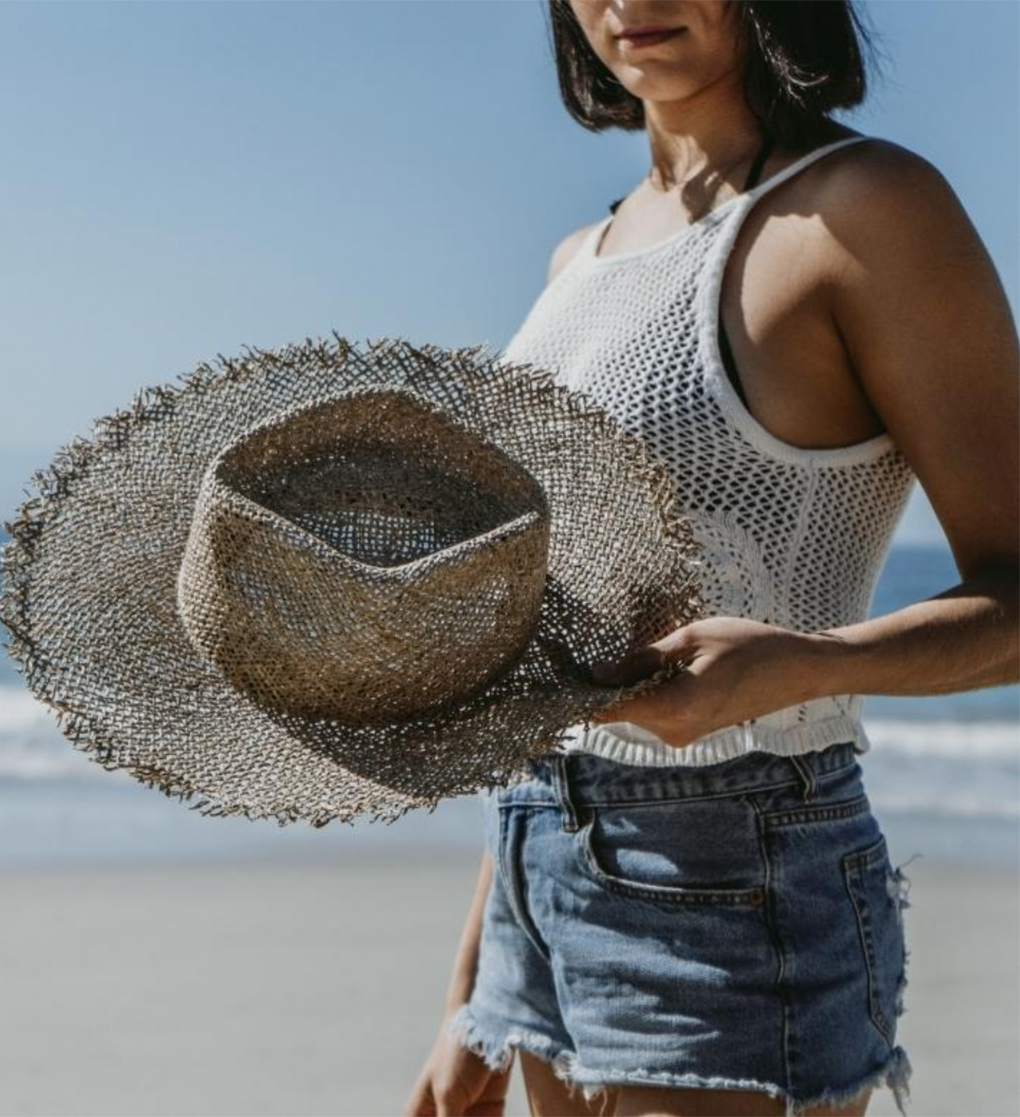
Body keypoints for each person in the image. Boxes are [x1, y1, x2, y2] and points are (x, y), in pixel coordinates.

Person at [405, 2, 1020, 1115]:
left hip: (738, 870)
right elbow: (557, 665)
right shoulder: (576, 260)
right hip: (536, 855)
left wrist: (804, 663)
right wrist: (475, 984)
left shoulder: (865, 210)